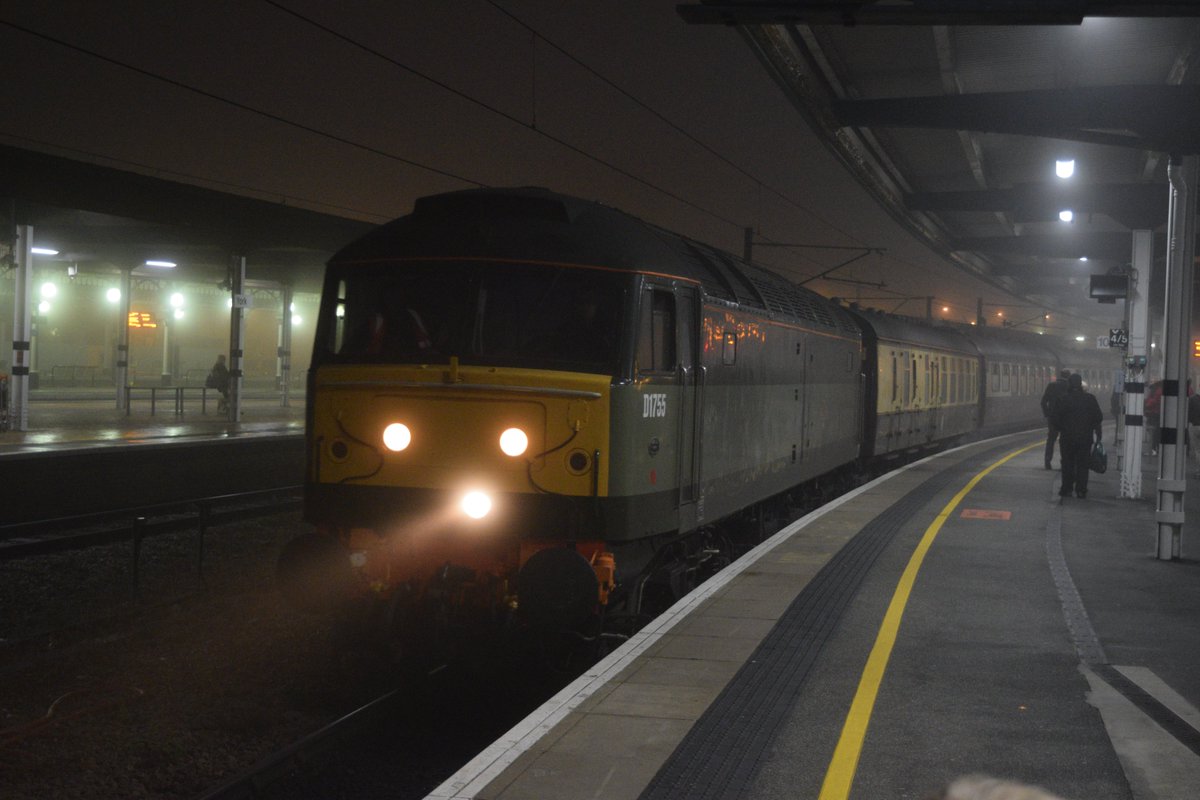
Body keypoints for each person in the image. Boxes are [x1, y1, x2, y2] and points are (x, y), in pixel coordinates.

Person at [1051, 373, 1103, 499]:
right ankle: (1081, 490)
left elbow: (1055, 418)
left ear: (1069, 384)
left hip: (1067, 437)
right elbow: (1098, 417)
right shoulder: (1090, 399)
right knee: (1083, 464)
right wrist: (1095, 430)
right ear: (1080, 384)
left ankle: (1067, 488)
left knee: (1067, 463)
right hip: (1085, 438)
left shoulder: (1063, 399)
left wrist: (1061, 428)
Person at [1040, 369, 1070, 470]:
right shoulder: (1070, 387)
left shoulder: (1051, 386)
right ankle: (1064, 462)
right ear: (1068, 377)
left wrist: (1047, 414)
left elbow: (1043, 401)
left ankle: (1047, 461)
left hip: (1053, 417)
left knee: (1051, 440)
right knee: (1065, 441)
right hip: (1066, 418)